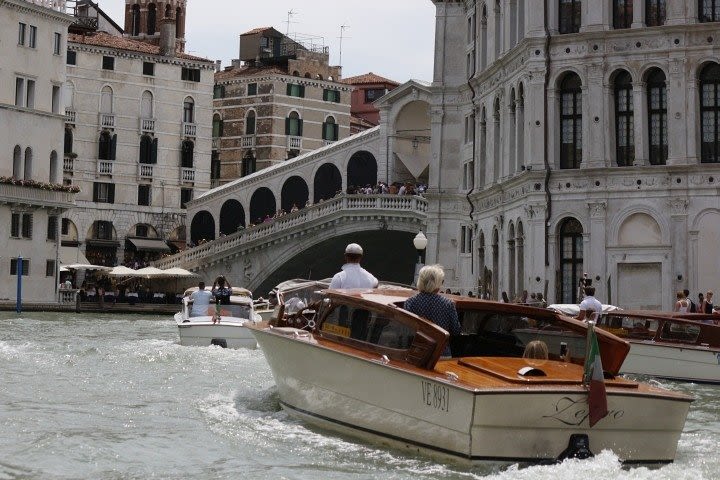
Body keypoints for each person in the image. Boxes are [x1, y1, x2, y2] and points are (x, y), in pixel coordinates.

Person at [403, 264, 461, 357]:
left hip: (418, 352)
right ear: (438, 284)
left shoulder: (410, 302)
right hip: (441, 353)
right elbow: (456, 330)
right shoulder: (448, 304)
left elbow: (406, 330)